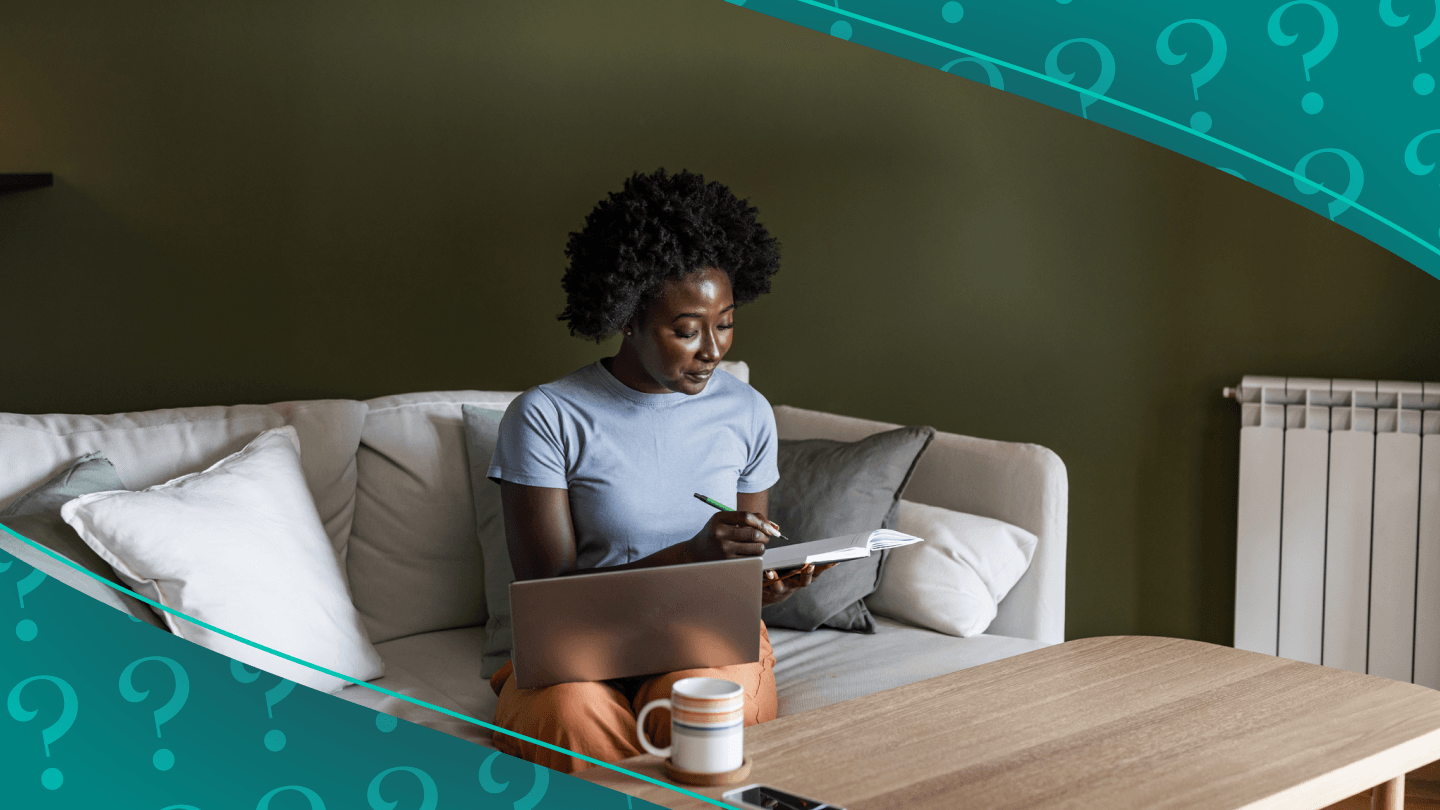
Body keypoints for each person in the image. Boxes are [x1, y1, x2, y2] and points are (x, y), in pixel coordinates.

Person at [484, 168, 833, 773]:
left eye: (724, 323)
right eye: (685, 330)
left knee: (704, 714)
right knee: (570, 717)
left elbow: (743, 557)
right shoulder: (547, 416)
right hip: (578, 650)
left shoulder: (747, 411)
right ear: (626, 318)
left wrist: (765, 580)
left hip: (703, 638)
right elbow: (548, 598)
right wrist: (691, 554)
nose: (713, 350)